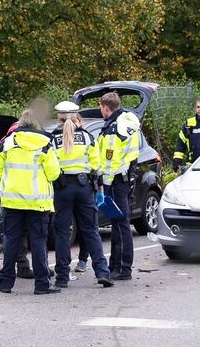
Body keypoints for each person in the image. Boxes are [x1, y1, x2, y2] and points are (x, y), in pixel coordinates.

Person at [0, 109, 61, 294]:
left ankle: (5, 283)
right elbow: (54, 173)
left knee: (11, 241)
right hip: (37, 203)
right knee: (38, 243)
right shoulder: (45, 143)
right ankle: (42, 285)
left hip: (12, 202)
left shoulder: (6, 143)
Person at [50, 101, 113, 288]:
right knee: (91, 230)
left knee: (62, 233)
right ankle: (103, 272)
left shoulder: (52, 139)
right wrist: (99, 189)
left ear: (59, 118)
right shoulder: (87, 137)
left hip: (61, 188)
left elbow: (50, 168)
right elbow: (97, 165)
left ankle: (62, 277)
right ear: (77, 117)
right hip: (84, 187)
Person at [97, 93, 140, 281]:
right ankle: (116, 265)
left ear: (106, 107)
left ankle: (123, 268)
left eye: (100, 107)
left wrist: (103, 183)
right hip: (123, 178)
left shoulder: (114, 128)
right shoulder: (127, 122)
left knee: (120, 223)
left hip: (114, 180)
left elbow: (110, 160)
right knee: (117, 223)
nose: (100, 111)